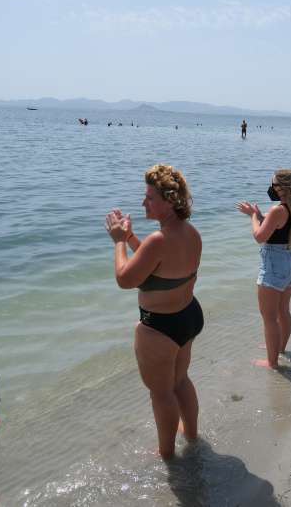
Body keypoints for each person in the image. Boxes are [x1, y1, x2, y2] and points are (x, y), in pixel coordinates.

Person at [105, 164, 203, 460]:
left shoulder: (158, 241)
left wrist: (120, 242)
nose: (143, 203)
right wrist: (133, 238)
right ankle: (192, 436)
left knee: (161, 393)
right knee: (180, 380)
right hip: (187, 316)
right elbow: (157, 265)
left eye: (149, 197)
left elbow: (125, 279)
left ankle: (167, 455)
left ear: (170, 201)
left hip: (159, 327)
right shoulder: (189, 232)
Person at [235, 170, 291, 369]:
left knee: (269, 318)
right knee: (283, 311)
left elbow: (259, 237)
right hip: (289, 262)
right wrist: (259, 215)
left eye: (274, 184)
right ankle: (279, 348)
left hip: (274, 264)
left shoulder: (278, 209)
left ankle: (272, 362)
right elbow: (279, 225)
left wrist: (253, 217)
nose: (271, 187)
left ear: (284, 187)